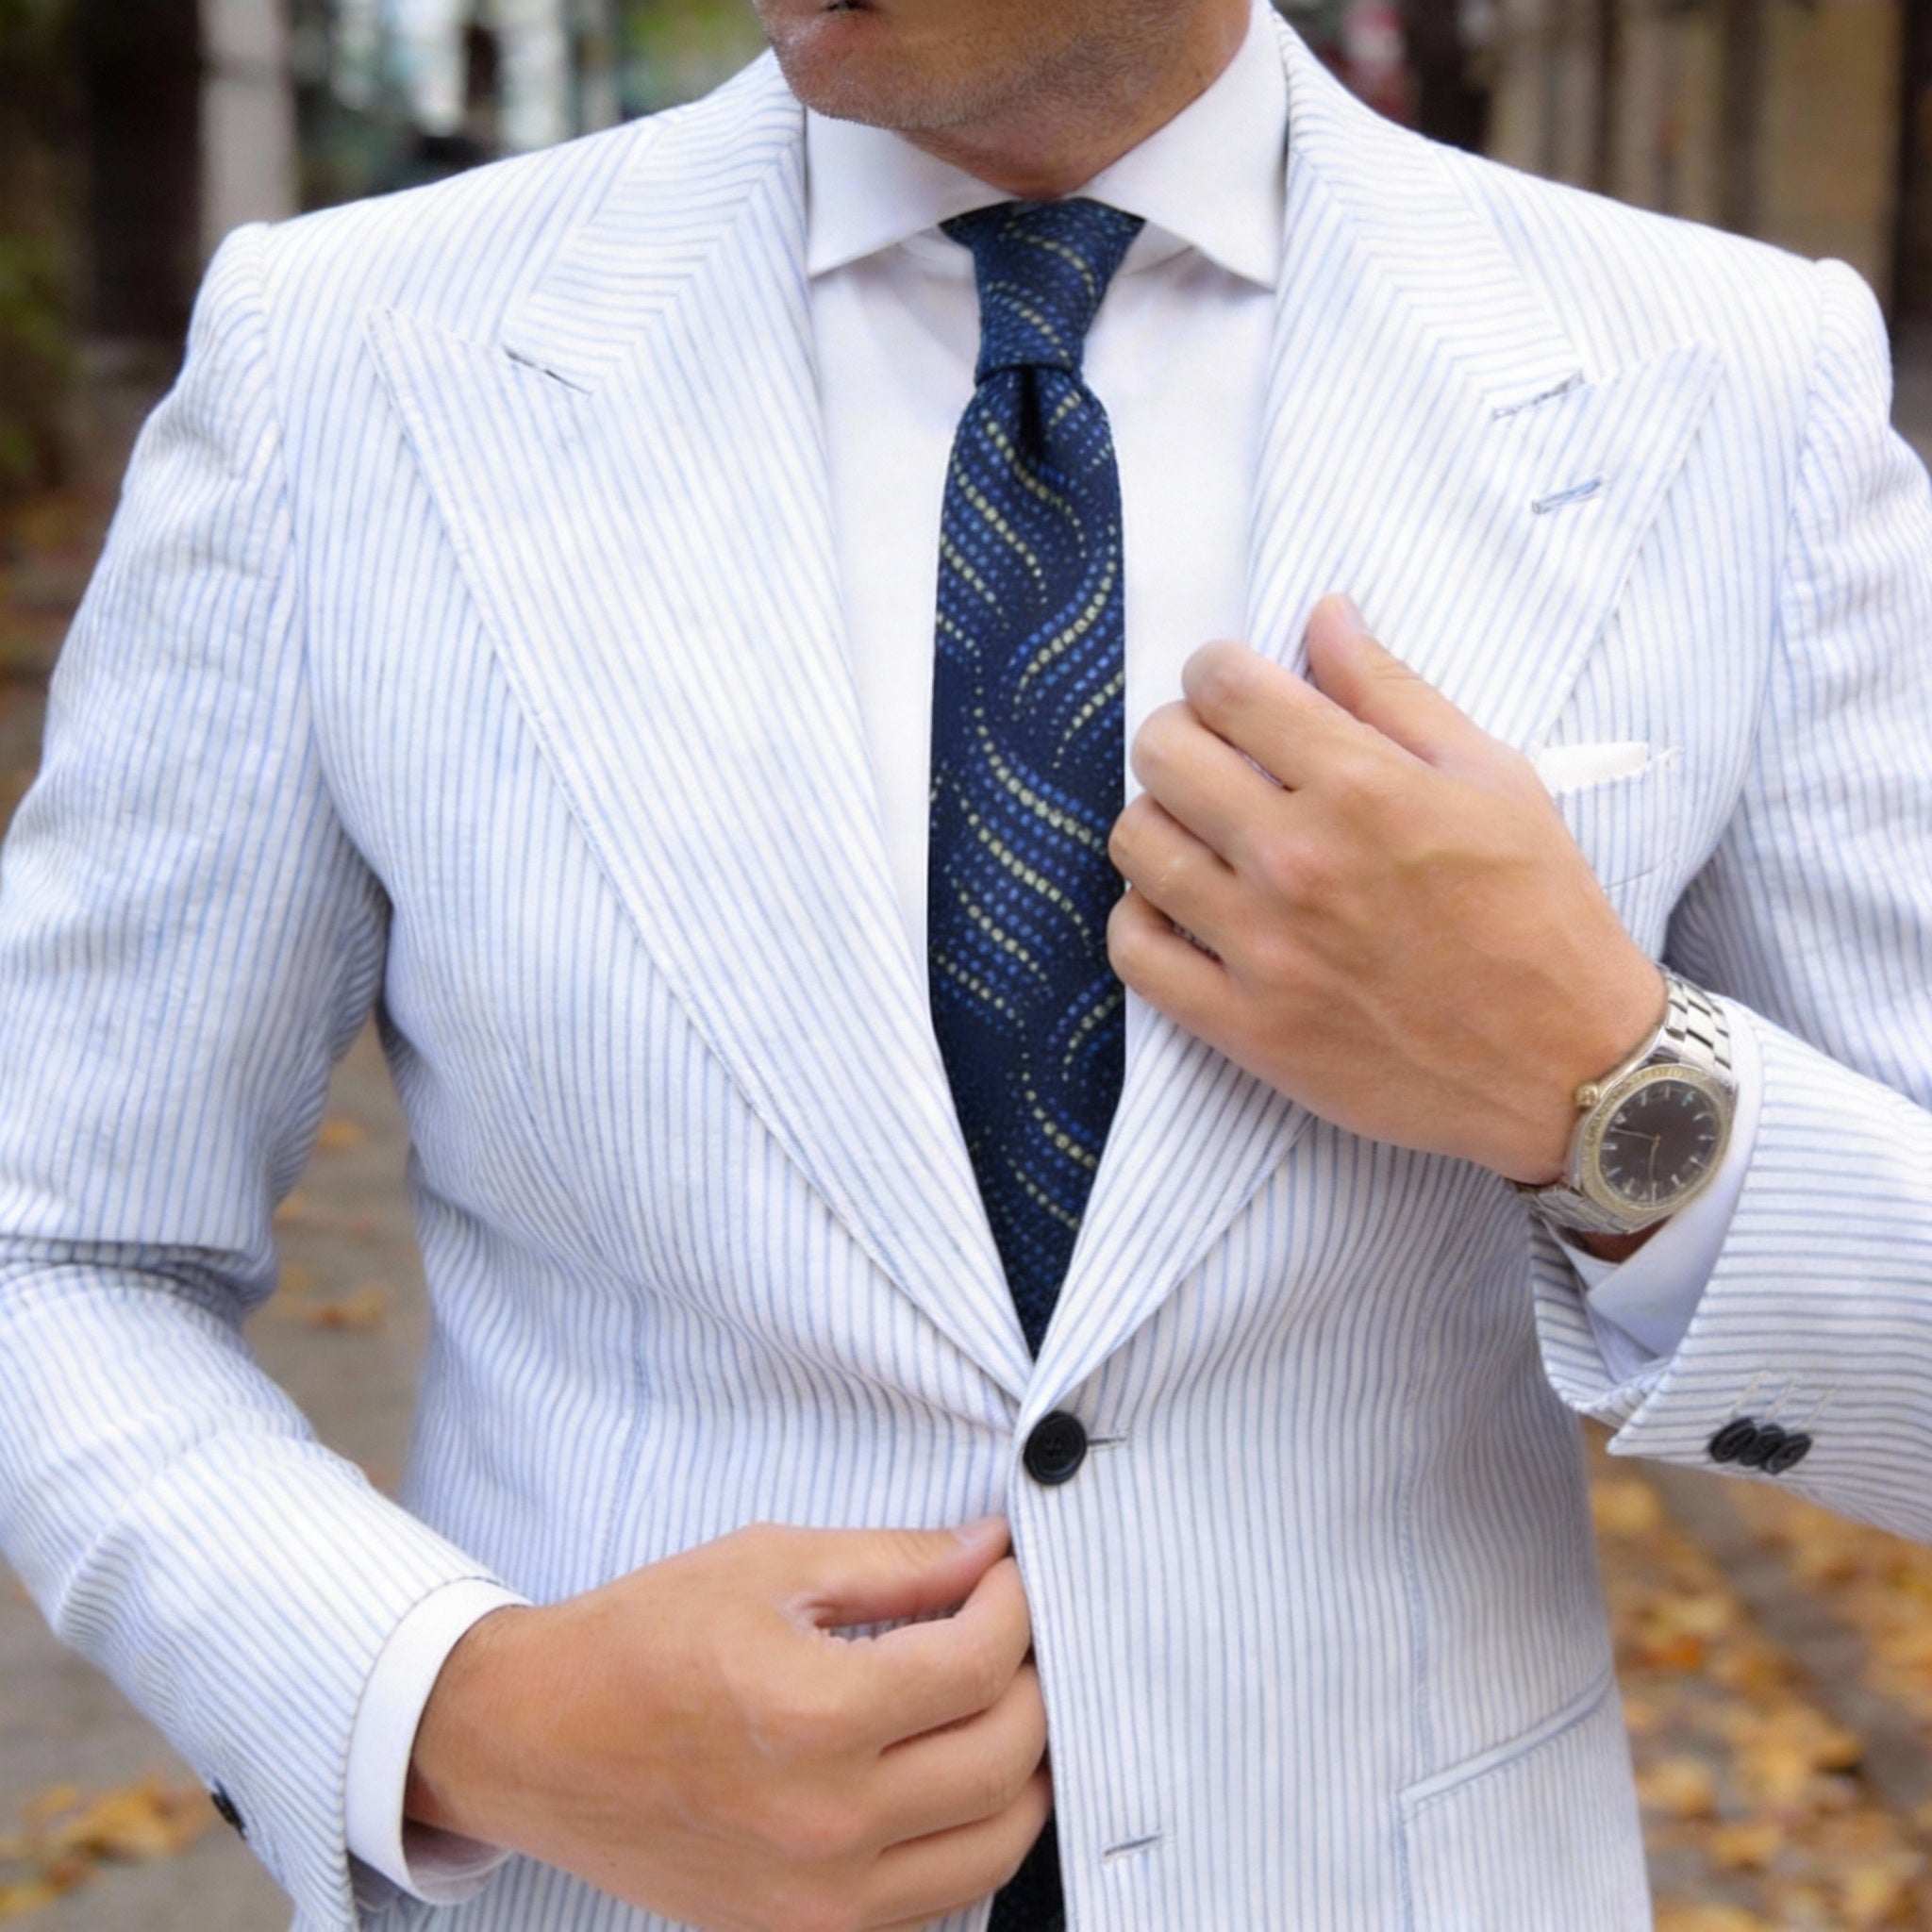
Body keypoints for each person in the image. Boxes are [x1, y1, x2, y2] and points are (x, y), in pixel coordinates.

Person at [1, 0, 1928, 1926]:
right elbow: (57, 1246)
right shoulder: (344, 361)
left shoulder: (1731, 385)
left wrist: (1606, 1085)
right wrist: (463, 1711)